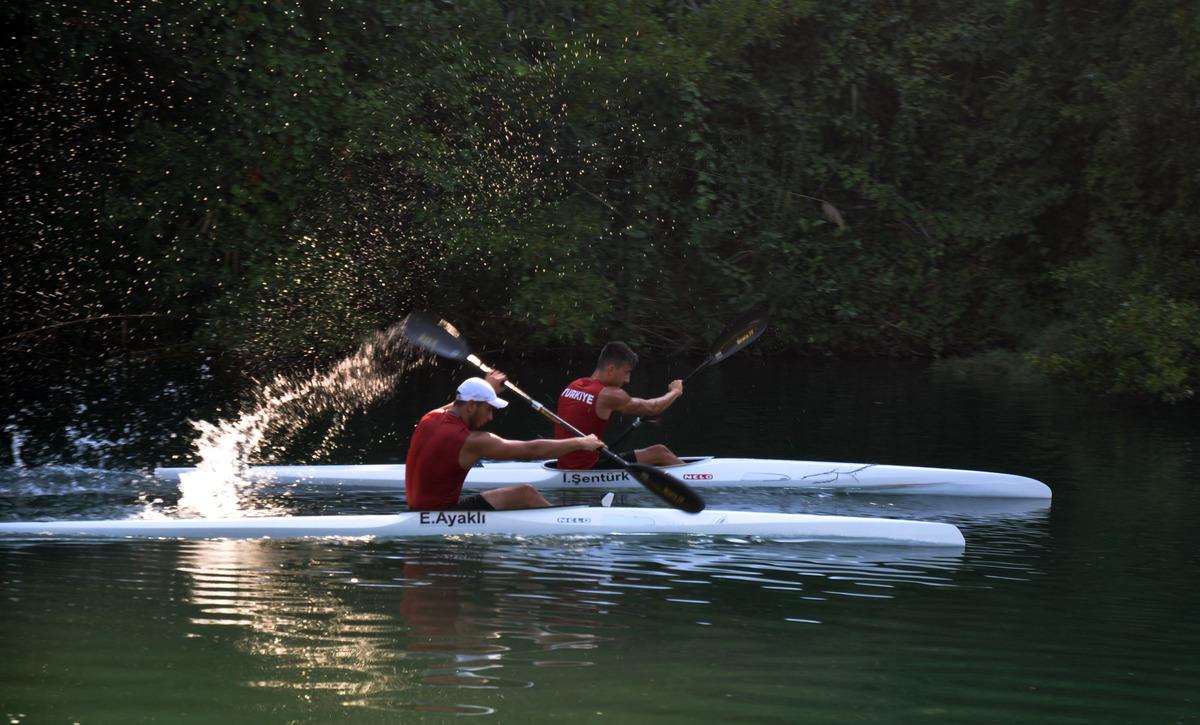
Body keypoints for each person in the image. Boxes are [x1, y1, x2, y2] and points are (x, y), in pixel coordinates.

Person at [405, 371, 605, 511]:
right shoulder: (472, 440)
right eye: (489, 409)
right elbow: (531, 450)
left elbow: (458, 403)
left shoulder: (430, 416)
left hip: (419, 508)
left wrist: (488, 387)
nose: (490, 417)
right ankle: (568, 529)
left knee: (521, 492)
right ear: (472, 405)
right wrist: (581, 442)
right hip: (442, 515)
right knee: (524, 493)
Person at [554, 341, 684, 470]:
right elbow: (653, 408)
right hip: (585, 469)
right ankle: (694, 478)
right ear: (611, 369)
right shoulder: (608, 395)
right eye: (626, 372)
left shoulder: (574, 385)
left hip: (566, 463)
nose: (627, 380)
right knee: (659, 453)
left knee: (659, 451)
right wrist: (675, 392)